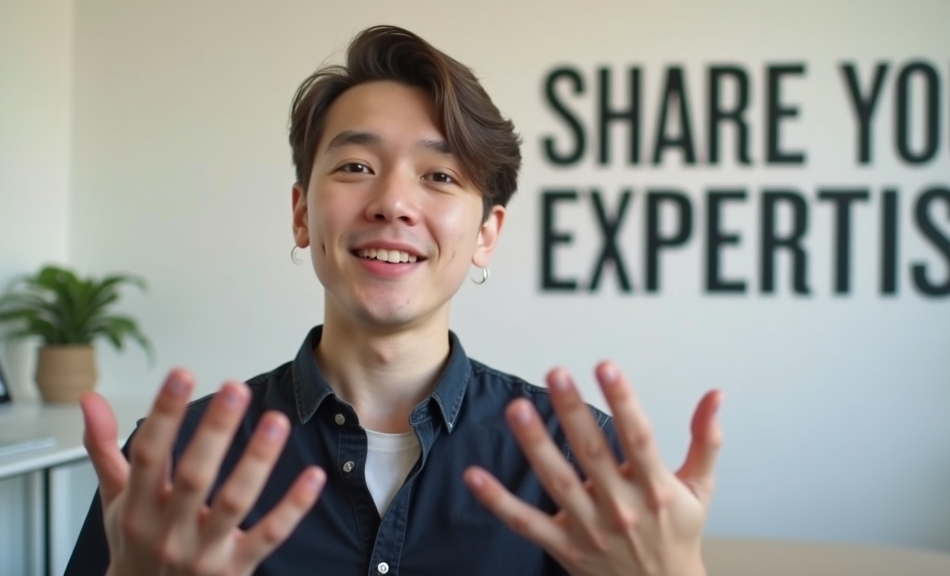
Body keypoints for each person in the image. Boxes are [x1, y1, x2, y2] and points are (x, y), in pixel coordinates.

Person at [65, 25, 722, 576]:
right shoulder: (173, 466)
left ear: (487, 233)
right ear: (301, 214)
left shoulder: (580, 465)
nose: (394, 204)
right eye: (356, 167)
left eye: (439, 176)